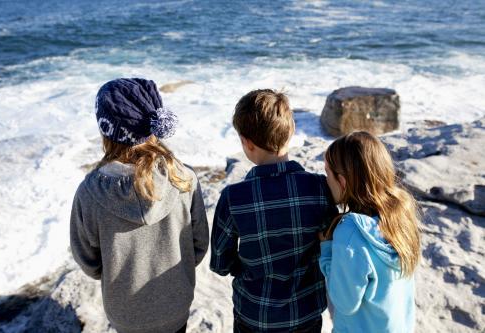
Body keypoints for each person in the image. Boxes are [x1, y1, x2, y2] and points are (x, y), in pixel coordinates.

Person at [70, 78, 209, 333]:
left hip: (125, 313)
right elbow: (199, 245)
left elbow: (88, 262)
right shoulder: (185, 179)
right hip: (176, 305)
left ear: (106, 129)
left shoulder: (90, 192)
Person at [210, 89, 337, 332]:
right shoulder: (320, 188)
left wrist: (247, 265)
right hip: (306, 312)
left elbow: (220, 264)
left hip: (255, 315)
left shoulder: (233, 197)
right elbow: (328, 244)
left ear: (247, 143)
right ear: (291, 132)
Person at [319, 131, 420, 333]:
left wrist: (327, 252)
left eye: (328, 173)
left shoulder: (350, 232)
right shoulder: (401, 214)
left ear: (343, 182)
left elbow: (345, 303)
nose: (325, 180)